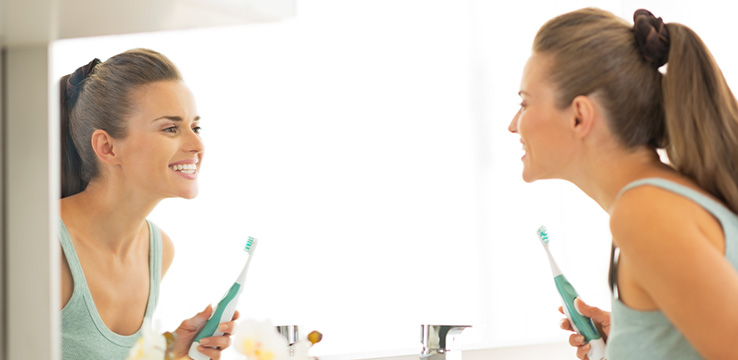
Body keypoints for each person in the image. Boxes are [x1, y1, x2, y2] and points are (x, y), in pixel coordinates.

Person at [508, 7, 738, 360]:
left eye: (524, 103)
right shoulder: (659, 199)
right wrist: (640, 339)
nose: (513, 125)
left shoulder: (644, 212)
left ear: (579, 116)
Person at [59, 48, 237, 360]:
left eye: (196, 127)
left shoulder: (156, 250)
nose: (197, 145)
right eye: (171, 128)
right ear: (108, 147)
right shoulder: (41, 243)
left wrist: (172, 355)